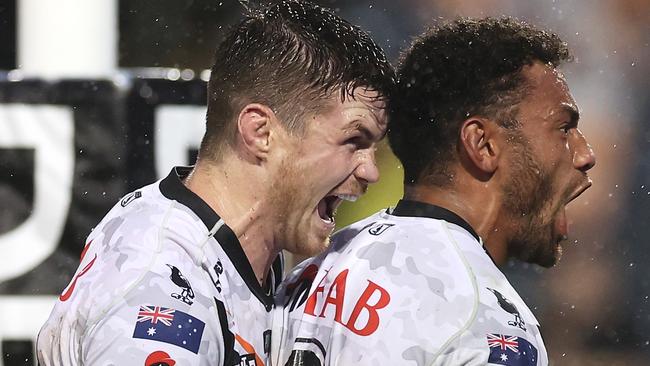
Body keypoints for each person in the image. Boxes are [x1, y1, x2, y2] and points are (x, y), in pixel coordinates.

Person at [37, 1, 394, 365]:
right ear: (261, 133)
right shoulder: (160, 284)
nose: (371, 171)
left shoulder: (239, 252)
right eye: (354, 141)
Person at [273, 17, 596, 366]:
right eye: (564, 128)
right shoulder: (486, 323)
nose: (585, 154)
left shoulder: (311, 274)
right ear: (483, 145)